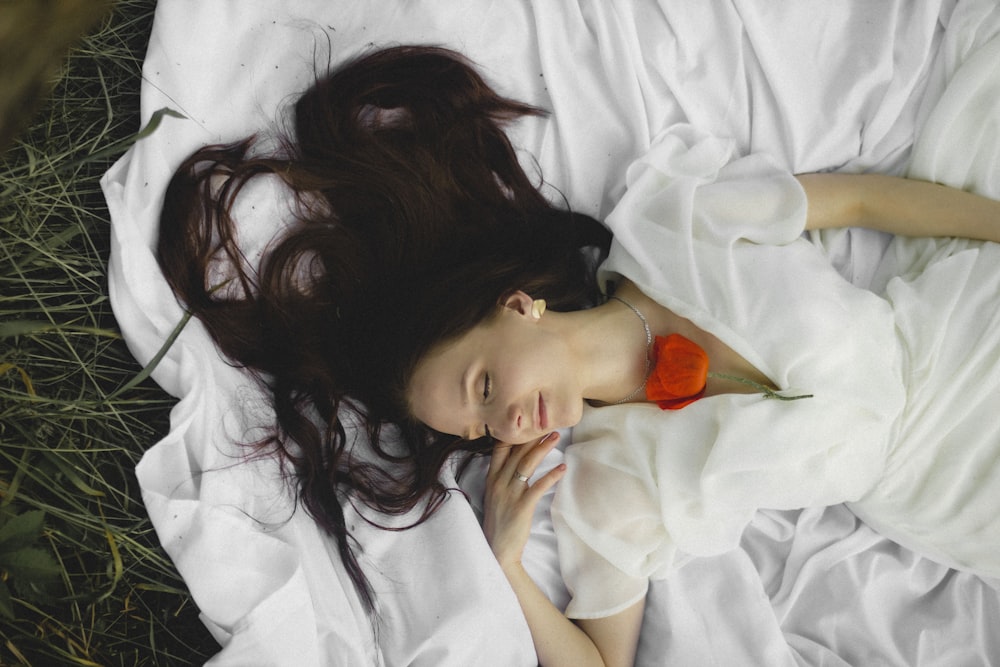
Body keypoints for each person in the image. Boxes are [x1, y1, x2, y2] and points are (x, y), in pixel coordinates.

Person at [158, 46, 1000, 666]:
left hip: (960, 327)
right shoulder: (610, 489)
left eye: (486, 384)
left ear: (517, 305)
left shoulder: (674, 223)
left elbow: (855, 198)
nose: (508, 423)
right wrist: (510, 567)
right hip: (949, 488)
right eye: (484, 425)